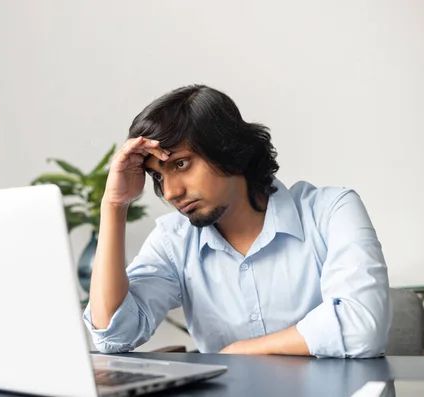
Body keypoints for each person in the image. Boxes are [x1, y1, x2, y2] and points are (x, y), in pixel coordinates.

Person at [82, 84, 391, 358]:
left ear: (228, 150)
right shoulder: (173, 240)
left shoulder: (331, 211)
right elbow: (113, 336)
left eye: (181, 163)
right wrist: (114, 204)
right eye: (158, 176)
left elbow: (362, 325)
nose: (171, 191)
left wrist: (239, 351)